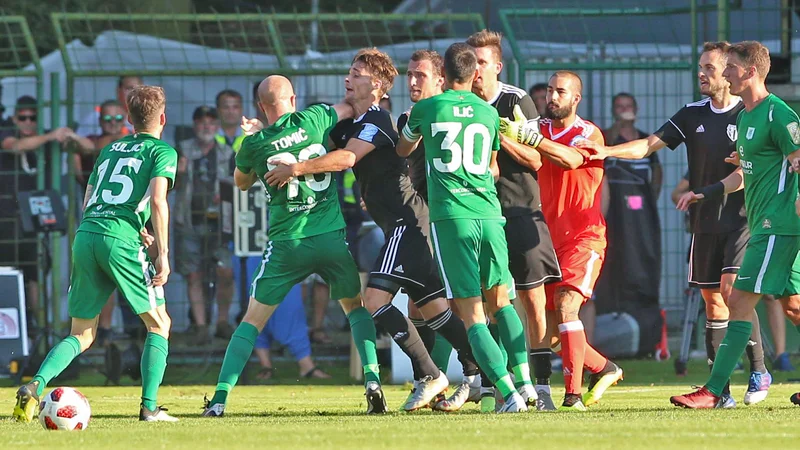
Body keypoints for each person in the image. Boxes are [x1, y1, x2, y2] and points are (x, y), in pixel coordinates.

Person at [266, 48, 480, 412]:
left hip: (406, 222)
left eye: (356, 73)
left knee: (377, 302)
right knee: (436, 311)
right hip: (406, 223)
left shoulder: (378, 120)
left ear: (377, 85)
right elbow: (316, 140)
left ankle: (430, 375)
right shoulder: (354, 121)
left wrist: (297, 169)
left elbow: (346, 158)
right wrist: (268, 135)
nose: (348, 78)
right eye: (348, 72)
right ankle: (483, 375)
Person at [579, 42, 771, 407]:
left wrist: (704, 191)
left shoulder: (747, 115)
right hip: (703, 224)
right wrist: (607, 151)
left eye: (710, 68)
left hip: (742, 220)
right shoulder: (692, 114)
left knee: (734, 294)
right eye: (700, 67)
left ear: (729, 72)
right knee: (713, 303)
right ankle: (721, 391)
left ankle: (759, 369)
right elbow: (648, 145)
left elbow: (743, 175)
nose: (702, 73)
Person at [202, 76, 385, 417]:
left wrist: (254, 137)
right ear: (293, 98)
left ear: (261, 107)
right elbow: (348, 108)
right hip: (330, 236)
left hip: (288, 243)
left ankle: (220, 399)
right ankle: (372, 378)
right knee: (355, 308)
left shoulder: (255, 144)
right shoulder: (314, 118)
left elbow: (241, 183)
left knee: (251, 321)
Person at [12, 85, 179, 422]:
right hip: (118, 239)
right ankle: (149, 408)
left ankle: (35, 386)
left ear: (128, 120)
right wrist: (163, 254)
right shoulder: (163, 151)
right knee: (159, 324)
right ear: (162, 117)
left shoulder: (109, 149)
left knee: (82, 334)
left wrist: (134, 227)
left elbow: (91, 199)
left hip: (87, 234)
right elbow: (159, 202)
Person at [397, 42, 532, 413]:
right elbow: (492, 166)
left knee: (470, 311)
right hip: (490, 215)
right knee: (502, 301)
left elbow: (404, 149)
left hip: (452, 217)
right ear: (475, 74)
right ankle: (525, 381)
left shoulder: (426, 108)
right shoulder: (488, 114)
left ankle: (508, 393)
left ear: (445, 75)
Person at [665, 41, 800, 408]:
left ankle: (713, 391)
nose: (724, 74)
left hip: (778, 225)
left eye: (731, 68)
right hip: (764, 225)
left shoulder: (777, 114)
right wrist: (704, 192)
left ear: (750, 72)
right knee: (794, 306)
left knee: (737, 301)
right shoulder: (744, 117)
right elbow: (742, 174)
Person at [500, 71, 623, 411]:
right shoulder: (534, 129)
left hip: (584, 238)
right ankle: (605, 368)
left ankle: (571, 396)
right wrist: (503, 136)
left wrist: (531, 140)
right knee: (551, 334)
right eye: (550, 90)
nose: (552, 97)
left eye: (561, 92)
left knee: (569, 306)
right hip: (546, 239)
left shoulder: (587, 132)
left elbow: (569, 159)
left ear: (576, 99)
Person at [466, 29, 561, 411]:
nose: (475, 70)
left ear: (497, 66)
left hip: (520, 208)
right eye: (470, 63)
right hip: (480, 212)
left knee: (532, 298)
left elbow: (537, 160)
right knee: (489, 300)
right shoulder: (461, 102)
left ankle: (541, 386)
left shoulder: (515, 99)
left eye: (482, 63)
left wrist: (503, 135)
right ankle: (494, 385)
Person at [397, 49, 485, 411]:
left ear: (441, 79)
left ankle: (473, 378)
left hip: (452, 218)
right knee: (423, 305)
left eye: (421, 75)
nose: (413, 81)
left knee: (455, 302)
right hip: (427, 221)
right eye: (410, 75)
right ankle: (438, 377)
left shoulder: (437, 114)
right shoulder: (413, 115)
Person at [0, 95, 77, 332]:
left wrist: (68, 137)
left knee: (34, 275)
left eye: (33, 118)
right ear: (14, 118)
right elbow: (13, 146)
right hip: (5, 220)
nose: (28, 123)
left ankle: (39, 331)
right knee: (5, 275)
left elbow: (81, 146)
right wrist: (50, 137)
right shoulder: (7, 132)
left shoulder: (47, 139)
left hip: (32, 221)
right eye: (23, 118)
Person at [174, 106, 236, 343]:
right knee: (193, 274)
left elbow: (239, 184)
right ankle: (200, 326)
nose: (206, 127)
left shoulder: (227, 152)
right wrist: (178, 172)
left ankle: (222, 321)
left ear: (217, 127)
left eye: (211, 122)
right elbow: (170, 186)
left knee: (225, 272)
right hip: (188, 220)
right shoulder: (182, 151)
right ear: (194, 125)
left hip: (220, 223)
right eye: (202, 122)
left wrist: (225, 193)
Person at [77, 76, 141, 138]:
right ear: (118, 90)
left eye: (139, 89)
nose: (134, 93)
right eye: (129, 88)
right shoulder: (94, 116)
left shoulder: (147, 117)